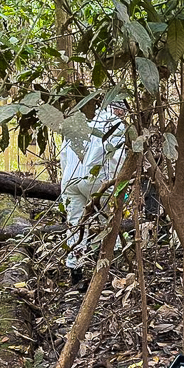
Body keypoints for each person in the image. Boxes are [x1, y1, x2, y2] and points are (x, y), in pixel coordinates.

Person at [60, 100, 127, 286]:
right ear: (118, 109)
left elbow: (63, 156)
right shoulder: (115, 124)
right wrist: (120, 188)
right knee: (110, 222)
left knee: (75, 224)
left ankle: (76, 273)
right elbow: (117, 160)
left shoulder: (78, 120)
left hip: (70, 180)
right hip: (98, 180)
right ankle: (113, 268)